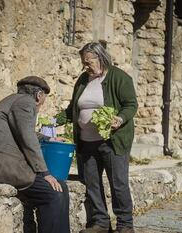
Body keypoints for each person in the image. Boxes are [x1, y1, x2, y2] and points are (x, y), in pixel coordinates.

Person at [57, 42, 138, 233]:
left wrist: (120, 118)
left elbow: (131, 104)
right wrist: (53, 121)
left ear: (100, 58)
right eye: (83, 62)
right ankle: (100, 223)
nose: (85, 66)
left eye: (88, 62)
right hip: (87, 142)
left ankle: (125, 225)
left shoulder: (119, 77)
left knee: (118, 183)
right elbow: (72, 110)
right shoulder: (83, 80)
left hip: (112, 141)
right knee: (92, 183)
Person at [0, 76, 70, 233]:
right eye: (44, 98)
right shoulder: (26, 103)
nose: (41, 104)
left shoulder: (14, 101)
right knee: (54, 192)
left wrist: (50, 138)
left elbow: (24, 131)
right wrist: (44, 172)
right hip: (2, 168)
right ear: (39, 95)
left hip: (0, 165)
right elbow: (28, 138)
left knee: (61, 187)